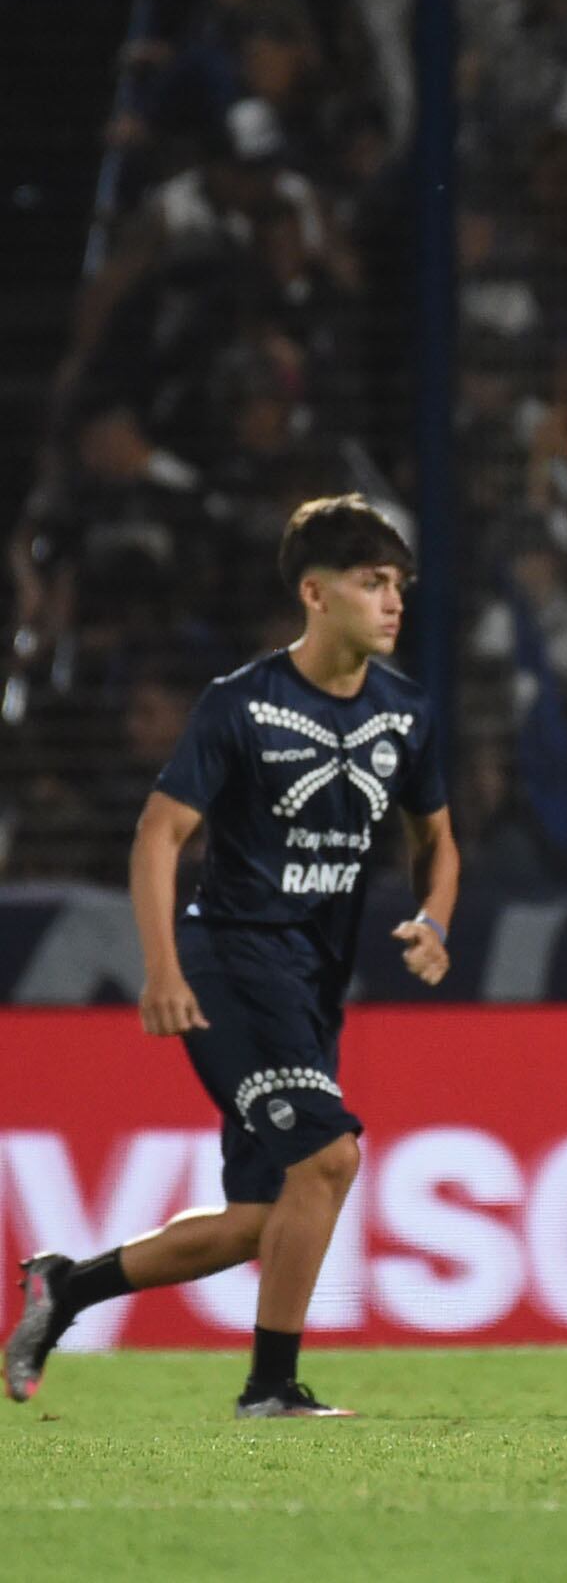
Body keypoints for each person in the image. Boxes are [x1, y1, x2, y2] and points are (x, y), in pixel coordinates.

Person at [6, 496, 458, 1418]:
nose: (392, 602)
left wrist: (435, 919)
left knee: (263, 1220)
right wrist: (164, 968)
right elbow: (158, 836)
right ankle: (270, 1388)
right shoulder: (242, 703)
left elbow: (438, 840)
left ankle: (65, 1291)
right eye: (373, 584)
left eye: (399, 586)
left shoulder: (406, 712)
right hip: (229, 962)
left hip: (311, 982)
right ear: (315, 593)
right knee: (329, 1159)